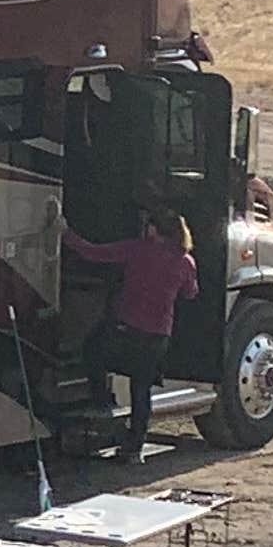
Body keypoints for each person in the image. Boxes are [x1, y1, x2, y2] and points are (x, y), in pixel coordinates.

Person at [64, 199, 199, 464]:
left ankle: (103, 402)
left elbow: (93, 253)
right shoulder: (186, 261)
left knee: (93, 351)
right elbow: (191, 293)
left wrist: (65, 232)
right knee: (142, 390)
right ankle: (133, 449)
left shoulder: (138, 250)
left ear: (152, 230)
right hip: (159, 334)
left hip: (127, 327)